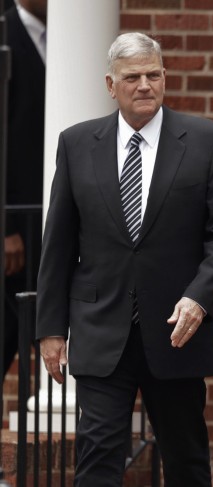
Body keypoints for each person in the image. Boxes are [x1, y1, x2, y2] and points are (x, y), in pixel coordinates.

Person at [36, 32, 213, 486]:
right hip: (99, 327)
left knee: (186, 459)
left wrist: (199, 297)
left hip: (177, 328)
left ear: (165, 77)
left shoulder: (208, 141)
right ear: (111, 85)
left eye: (154, 74)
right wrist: (51, 329)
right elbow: (58, 242)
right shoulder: (76, 144)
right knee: (97, 459)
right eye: (133, 77)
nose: (145, 85)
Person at [3, 0, 46, 379]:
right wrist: (6, 226)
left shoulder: (68, 42)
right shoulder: (5, 33)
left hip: (50, 227)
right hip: (16, 232)